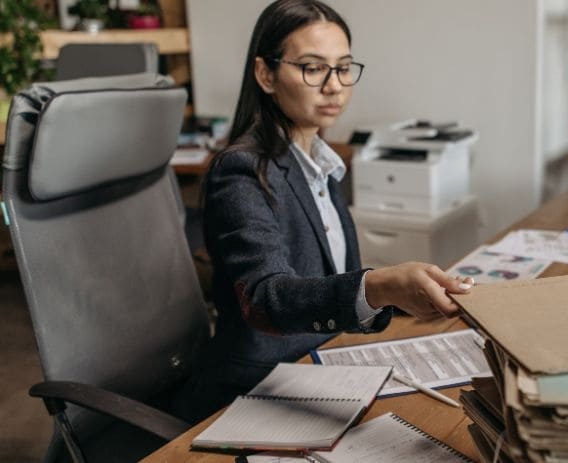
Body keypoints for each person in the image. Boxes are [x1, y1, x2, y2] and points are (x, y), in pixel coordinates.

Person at [173, 0, 473, 423]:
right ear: (266, 74)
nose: (335, 86)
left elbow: (328, 282)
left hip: (321, 367)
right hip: (253, 388)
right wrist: (380, 285)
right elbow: (266, 298)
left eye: (344, 67)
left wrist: (408, 293)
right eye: (313, 68)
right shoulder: (240, 171)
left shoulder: (320, 164)